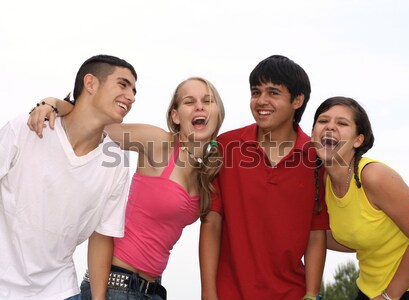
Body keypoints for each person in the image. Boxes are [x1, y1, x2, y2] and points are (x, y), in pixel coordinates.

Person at [29, 77, 225, 300]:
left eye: (207, 101)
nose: (200, 106)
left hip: (152, 291)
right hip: (115, 285)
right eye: (189, 101)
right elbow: (93, 124)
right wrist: (53, 103)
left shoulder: (207, 171)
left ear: (217, 112)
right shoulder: (160, 143)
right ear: (175, 116)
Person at [0, 54, 137, 300]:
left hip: (59, 289)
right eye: (123, 84)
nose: (131, 96)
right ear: (91, 83)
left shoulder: (116, 164)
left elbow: (102, 234)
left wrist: (98, 298)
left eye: (135, 91)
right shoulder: (27, 128)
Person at [199, 55, 329, 300]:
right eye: (255, 92)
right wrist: (208, 294)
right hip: (229, 293)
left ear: (297, 100)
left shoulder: (317, 159)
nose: (261, 101)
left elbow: (316, 233)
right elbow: (211, 222)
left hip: (293, 293)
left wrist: (312, 294)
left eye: (273, 93)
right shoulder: (226, 146)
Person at [311, 96, 409, 300]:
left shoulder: (374, 176)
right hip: (368, 289)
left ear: (358, 139)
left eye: (342, 123)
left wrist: (389, 296)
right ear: (313, 134)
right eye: (323, 121)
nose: (330, 127)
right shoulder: (321, 182)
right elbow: (351, 238)